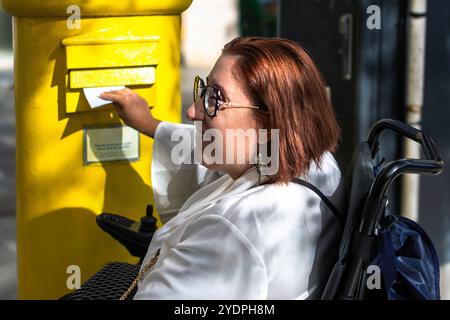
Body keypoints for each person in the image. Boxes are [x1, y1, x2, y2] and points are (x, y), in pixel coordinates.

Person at [100, 36, 345, 299]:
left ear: (270, 120)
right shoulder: (316, 163)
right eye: (203, 90)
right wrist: (150, 124)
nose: (192, 112)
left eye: (215, 98)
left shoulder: (231, 233)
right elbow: (228, 156)